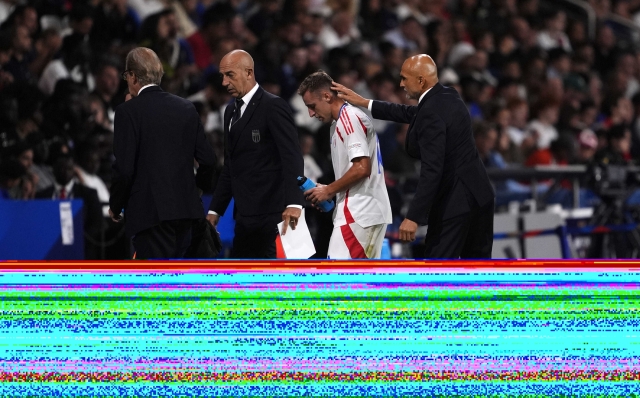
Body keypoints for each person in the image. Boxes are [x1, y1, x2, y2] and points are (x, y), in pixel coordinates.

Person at [332, 54, 495, 259]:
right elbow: (411, 113)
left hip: (455, 202)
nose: (400, 84)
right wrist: (365, 102)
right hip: (480, 194)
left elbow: (432, 169)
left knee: (438, 271)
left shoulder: (431, 114)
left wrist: (413, 217)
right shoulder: (448, 96)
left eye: (404, 78)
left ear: (420, 81)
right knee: (479, 270)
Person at [109, 47, 216, 259]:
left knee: (156, 284)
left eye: (126, 75)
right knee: (181, 282)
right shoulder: (186, 108)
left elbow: (124, 169)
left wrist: (116, 206)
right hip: (187, 213)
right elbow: (209, 161)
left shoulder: (126, 112)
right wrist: (196, 190)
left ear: (132, 76)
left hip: (150, 215)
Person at [205, 50, 304, 258]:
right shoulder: (230, 112)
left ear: (249, 73)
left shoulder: (273, 106)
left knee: (273, 284)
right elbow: (231, 166)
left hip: (275, 218)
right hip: (243, 218)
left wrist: (294, 203)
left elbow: (292, 157)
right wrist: (215, 210)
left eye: (230, 75)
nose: (224, 82)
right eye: (222, 76)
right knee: (243, 283)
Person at [298, 70, 392, 259]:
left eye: (312, 106)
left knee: (343, 281)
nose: (310, 113)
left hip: (359, 213)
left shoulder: (349, 119)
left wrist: (329, 190)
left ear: (326, 96)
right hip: (360, 212)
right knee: (357, 282)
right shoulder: (340, 122)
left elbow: (362, 168)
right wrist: (328, 189)